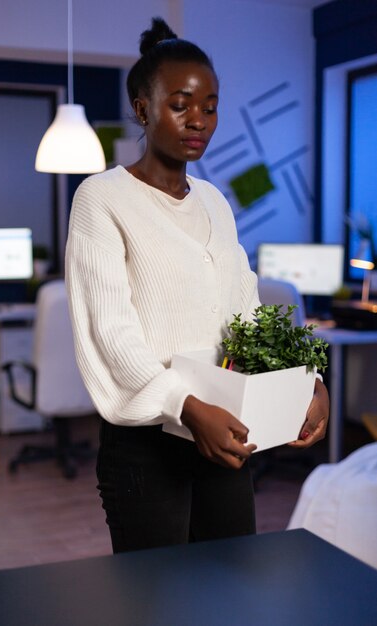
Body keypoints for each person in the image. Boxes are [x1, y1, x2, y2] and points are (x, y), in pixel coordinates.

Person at [65, 17, 329, 553]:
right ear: (143, 109)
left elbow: (248, 311)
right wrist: (186, 405)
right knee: (156, 603)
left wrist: (308, 380)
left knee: (231, 591)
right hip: (148, 444)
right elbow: (115, 336)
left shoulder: (214, 201)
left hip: (226, 431)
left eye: (210, 106)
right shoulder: (101, 199)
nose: (199, 120)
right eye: (180, 104)